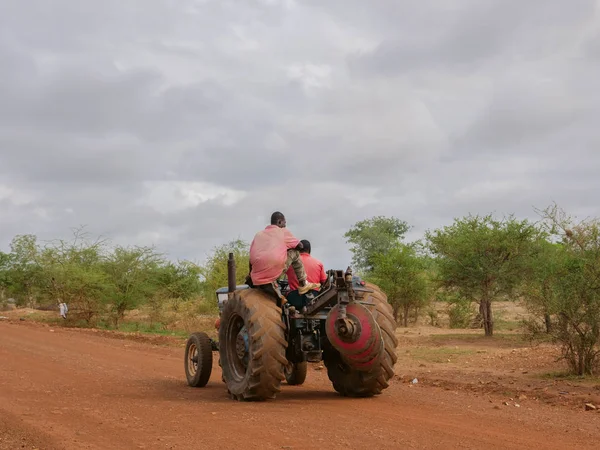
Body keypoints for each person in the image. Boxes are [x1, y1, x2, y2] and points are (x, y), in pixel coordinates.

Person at [248, 212, 320, 296]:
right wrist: (287, 247)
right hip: (273, 272)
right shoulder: (282, 231)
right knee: (295, 252)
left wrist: (251, 275)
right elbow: (300, 246)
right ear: (279, 222)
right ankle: (303, 283)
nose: (285, 226)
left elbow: (251, 257)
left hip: (255, 276)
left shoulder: (258, 234)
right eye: (284, 223)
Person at [285, 240, 327, 309]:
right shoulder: (318, 263)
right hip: (314, 298)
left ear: (298, 249)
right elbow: (324, 282)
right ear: (309, 250)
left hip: (295, 298)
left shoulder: (290, 262)